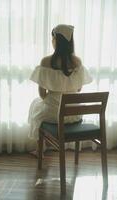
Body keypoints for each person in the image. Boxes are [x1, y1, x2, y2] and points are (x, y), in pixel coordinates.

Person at [28, 24, 92, 157]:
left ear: (56, 40)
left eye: (53, 38)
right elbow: (78, 89)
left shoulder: (46, 62)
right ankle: (50, 144)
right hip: (74, 114)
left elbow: (42, 94)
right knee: (41, 107)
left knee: (36, 106)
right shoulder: (77, 62)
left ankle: (41, 150)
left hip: (54, 115)